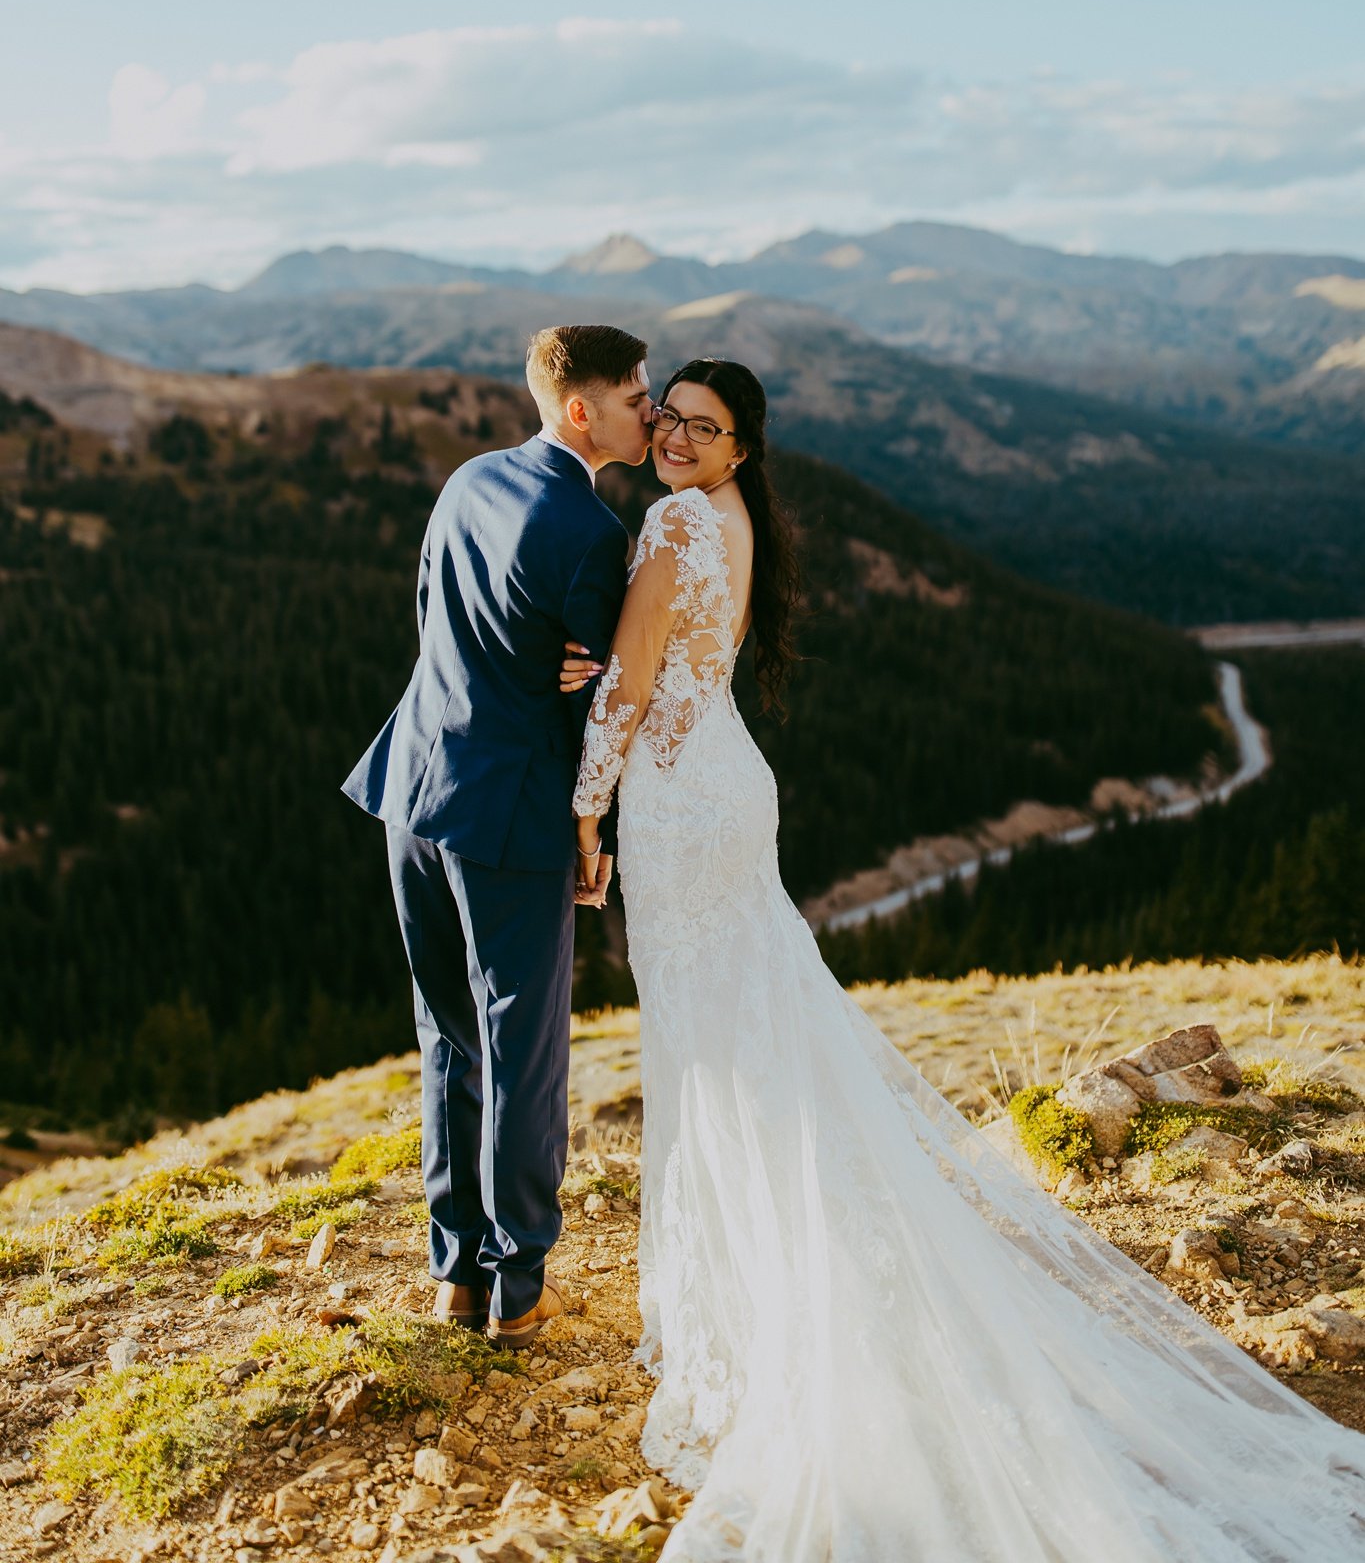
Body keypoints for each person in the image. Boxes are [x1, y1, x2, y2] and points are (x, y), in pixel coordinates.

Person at [566, 355, 1365, 1560]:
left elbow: (633, 680)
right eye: (669, 414)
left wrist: (585, 801)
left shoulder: (677, 513)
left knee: (712, 1047)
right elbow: (669, 653)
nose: (676, 435)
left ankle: (748, 1302)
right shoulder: (730, 521)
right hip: (726, 785)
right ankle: (768, 1278)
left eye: (704, 426)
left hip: (680, 805)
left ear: (740, 449)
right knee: (751, 1034)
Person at [342, 324, 652, 1348]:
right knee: (525, 1043)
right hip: (512, 812)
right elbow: (589, 707)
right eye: (634, 392)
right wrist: (591, 823)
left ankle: (455, 1273)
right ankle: (519, 1280)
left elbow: (433, 613)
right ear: (582, 410)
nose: (648, 408)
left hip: (415, 786)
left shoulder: (468, 480)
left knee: (447, 1034)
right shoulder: (591, 531)